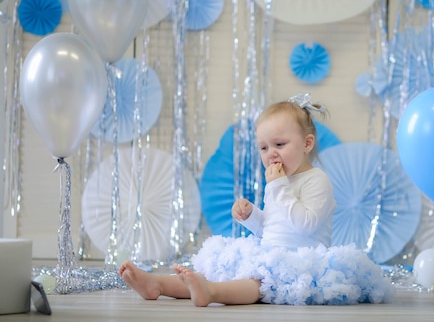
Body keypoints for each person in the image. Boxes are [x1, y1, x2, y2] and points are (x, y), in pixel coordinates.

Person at [119, 93, 395, 306]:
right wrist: (252, 216)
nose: (271, 153)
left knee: (256, 282)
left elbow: (304, 225)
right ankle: (158, 284)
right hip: (271, 252)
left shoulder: (316, 180)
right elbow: (272, 228)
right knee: (225, 272)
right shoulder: (279, 182)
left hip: (300, 264)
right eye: (264, 147)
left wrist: (278, 187)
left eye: (280, 144)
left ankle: (210, 293)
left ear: (307, 144)